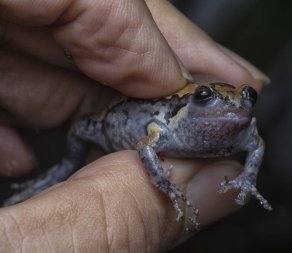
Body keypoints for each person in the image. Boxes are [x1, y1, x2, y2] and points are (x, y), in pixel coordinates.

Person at [0, 0, 269, 252]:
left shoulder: (244, 132)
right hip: (110, 122)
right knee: (81, 126)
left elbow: (256, 146)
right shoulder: (166, 127)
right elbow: (145, 147)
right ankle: (66, 164)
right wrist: (164, 183)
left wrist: (248, 178)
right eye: (204, 98)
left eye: (249, 98)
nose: (235, 107)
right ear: (191, 102)